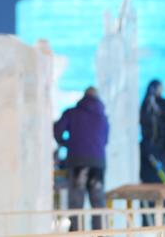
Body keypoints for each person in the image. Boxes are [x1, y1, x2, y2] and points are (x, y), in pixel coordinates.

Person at [53, 87, 109, 231]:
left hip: (78, 161)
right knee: (98, 203)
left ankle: (76, 233)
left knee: (76, 203)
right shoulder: (103, 118)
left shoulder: (72, 113)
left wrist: (66, 143)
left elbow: (57, 130)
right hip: (98, 163)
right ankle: (100, 234)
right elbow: (105, 140)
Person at [139, 80, 165, 183]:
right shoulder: (149, 104)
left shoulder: (156, 104)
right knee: (155, 176)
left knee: (158, 176)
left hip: (153, 147)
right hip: (152, 148)